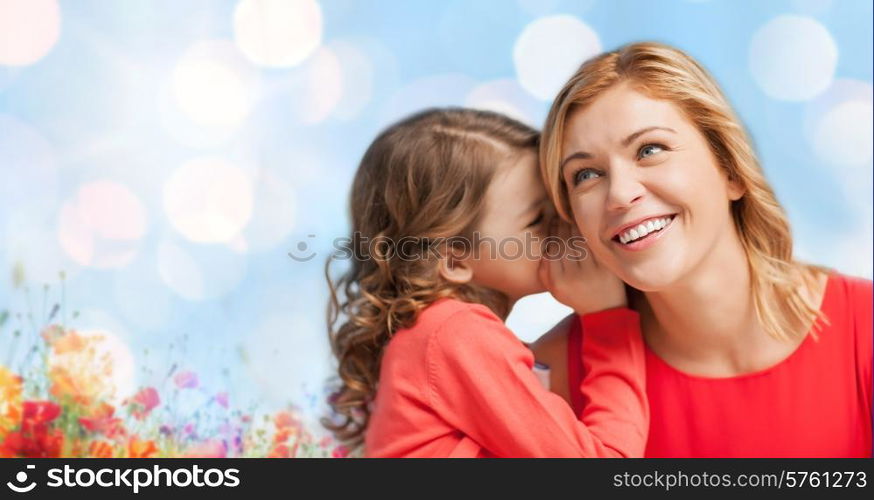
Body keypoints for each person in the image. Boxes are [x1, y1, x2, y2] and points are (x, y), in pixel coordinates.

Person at [533, 42, 872, 457]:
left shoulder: (864, 330)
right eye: (585, 174)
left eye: (650, 150)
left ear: (730, 170)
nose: (619, 195)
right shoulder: (552, 373)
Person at [324, 108, 648, 457]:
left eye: (560, 204)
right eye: (539, 219)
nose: (566, 225)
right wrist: (607, 318)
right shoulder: (455, 333)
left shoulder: (432, 335)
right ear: (453, 260)